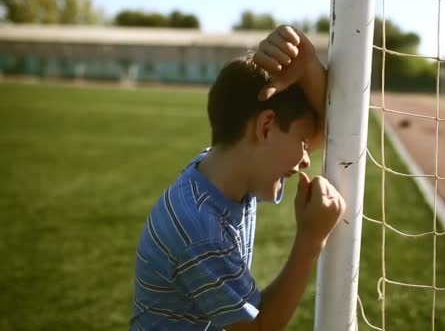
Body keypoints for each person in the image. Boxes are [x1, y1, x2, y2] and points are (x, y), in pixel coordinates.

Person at [130, 25, 346, 331]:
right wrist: (310, 240)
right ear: (266, 127)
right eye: (302, 142)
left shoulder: (224, 169)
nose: (307, 158)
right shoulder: (200, 230)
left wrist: (308, 63)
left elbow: (324, 129)